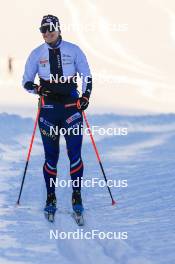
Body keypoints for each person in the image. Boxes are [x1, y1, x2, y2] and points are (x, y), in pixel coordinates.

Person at [22, 15, 92, 216]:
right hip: (49, 111)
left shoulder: (74, 50)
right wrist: (36, 89)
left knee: (74, 153)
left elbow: (87, 75)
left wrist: (86, 97)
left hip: (71, 108)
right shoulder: (36, 54)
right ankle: (50, 196)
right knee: (51, 156)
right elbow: (26, 81)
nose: (46, 33)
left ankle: (76, 194)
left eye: (50, 28)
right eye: (43, 29)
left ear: (58, 28)